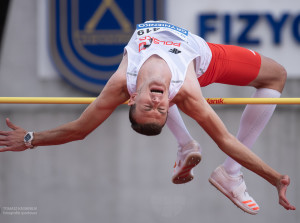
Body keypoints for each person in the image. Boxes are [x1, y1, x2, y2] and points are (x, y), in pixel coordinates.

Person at [0, 21, 295, 214]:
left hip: (176, 49)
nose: (156, 102)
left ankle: (189, 148)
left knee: (276, 75)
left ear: (132, 99)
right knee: (276, 76)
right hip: (207, 59)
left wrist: (29, 138)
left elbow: (79, 129)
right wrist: (274, 178)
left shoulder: (120, 83)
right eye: (161, 108)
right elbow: (226, 140)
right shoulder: (188, 92)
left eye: (148, 107)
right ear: (170, 103)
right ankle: (228, 172)